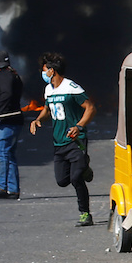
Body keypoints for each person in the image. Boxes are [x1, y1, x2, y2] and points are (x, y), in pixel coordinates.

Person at [30, 52, 97, 227]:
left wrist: (79, 126)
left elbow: (90, 108)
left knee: (76, 178)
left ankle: (85, 214)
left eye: (44, 70)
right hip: (58, 142)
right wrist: (38, 119)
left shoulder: (71, 88)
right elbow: (47, 109)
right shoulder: (48, 90)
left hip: (76, 141)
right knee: (62, 181)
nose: (43, 73)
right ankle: (84, 167)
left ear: (51, 71)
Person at [0, 50, 24, 199]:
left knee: (0, 152)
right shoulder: (13, 75)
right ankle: (13, 189)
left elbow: (7, 94)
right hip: (14, 119)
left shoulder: (4, 76)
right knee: (9, 154)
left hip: (8, 121)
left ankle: (2, 186)